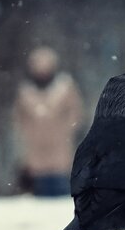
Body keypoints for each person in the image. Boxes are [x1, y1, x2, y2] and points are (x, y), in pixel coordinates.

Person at [14, 46, 84, 197]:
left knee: (61, 192)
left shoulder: (65, 87)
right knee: (40, 193)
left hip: (60, 150)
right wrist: (29, 133)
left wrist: (66, 130)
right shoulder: (26, 92)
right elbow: (19, 118)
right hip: (36, 153)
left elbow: (75, 112)